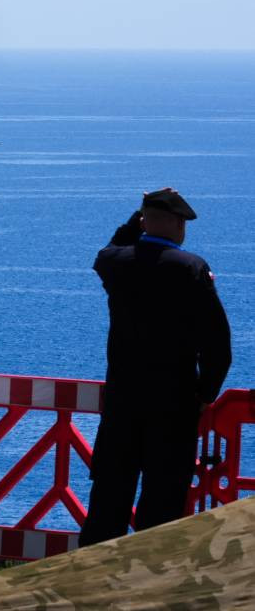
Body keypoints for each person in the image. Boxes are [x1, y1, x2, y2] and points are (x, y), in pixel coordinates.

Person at [79, 188, 230, 547]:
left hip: (121, 405)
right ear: (178, 225)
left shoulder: (116, 264)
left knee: (106, 508)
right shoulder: (191, 269)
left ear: (145, 221)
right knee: (160, 512)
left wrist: (138, 217)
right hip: (173, 406)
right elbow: (218, 346)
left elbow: (109, 250)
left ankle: (91, 589)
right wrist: (205, 394)